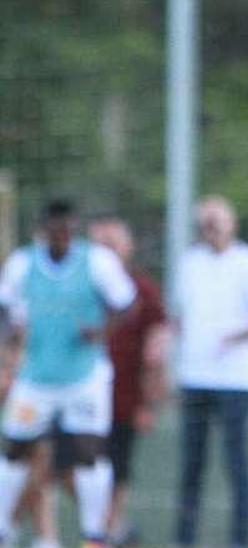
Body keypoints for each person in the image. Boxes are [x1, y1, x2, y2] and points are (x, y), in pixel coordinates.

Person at [0, 200, 136, 547]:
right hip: (36, 377)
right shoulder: (22, 264)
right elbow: (7, 314)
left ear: (74, 228)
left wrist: (102, 330)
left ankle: (95, 536)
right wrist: (8, 354)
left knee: (88, 455)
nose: (61, 235)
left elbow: (126, 303)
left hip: (84, 378)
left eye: (66, 228)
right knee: (16, 450)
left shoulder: (96, 262)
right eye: (54, 228)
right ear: (44, 229)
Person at [173, 196, 248, 548]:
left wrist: (234, 337)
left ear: (232, 223)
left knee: (236, 462)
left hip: (236, 380)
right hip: (195, 377)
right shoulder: (189, 263)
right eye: (205, 222)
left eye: (216, 221)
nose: (211, 228)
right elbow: (180, 318)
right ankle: (185, 538)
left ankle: (240, 540)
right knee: (191, 464)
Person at [89, 217, 168, 546]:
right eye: (100, 243)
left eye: (113, 243)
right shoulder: (80, 282)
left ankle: (110, 526)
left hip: (123, 396)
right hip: (77, 392)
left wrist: (148, 402)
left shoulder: (142, 288)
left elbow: (156, 347)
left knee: (117, 466)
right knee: (63, 462)